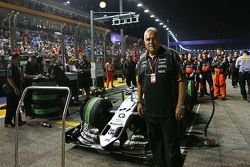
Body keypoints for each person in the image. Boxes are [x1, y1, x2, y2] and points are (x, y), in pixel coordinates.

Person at [137, 27, 186, 167]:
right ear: (144, 42)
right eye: (148, 39)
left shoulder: (171, 55)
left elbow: (182, 81)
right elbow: (139, 82)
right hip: (150, 112)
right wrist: (140, 101)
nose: (151, 42)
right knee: (155, 146)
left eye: (154, 38)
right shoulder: (141, 60)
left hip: (169, 111)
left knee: (171, 147)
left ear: (159, 39)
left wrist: (180, 105)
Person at [4, 53, 25, 127]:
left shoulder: (16, 67)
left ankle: (18, 121)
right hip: (11, 90)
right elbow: (9, 79)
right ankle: (7, 122)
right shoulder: (10, 66)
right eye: (17, 59)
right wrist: (15, 88)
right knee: (10, 106)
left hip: (16, 88)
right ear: (13, 59)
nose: (18, 60)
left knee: (17, 105)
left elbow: (19, 78)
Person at [22, 55, 42, 120]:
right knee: (27, 100)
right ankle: (27, 114)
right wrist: (35, 76)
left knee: (29, 99)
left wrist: (38, 75)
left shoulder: (31, 65)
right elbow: (25, 75)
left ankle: (29, 113)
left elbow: (32, 73)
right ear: (32, 59)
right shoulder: (25, 64)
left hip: (30, 85)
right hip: (25, 85)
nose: (35, 62)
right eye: (35, 61)